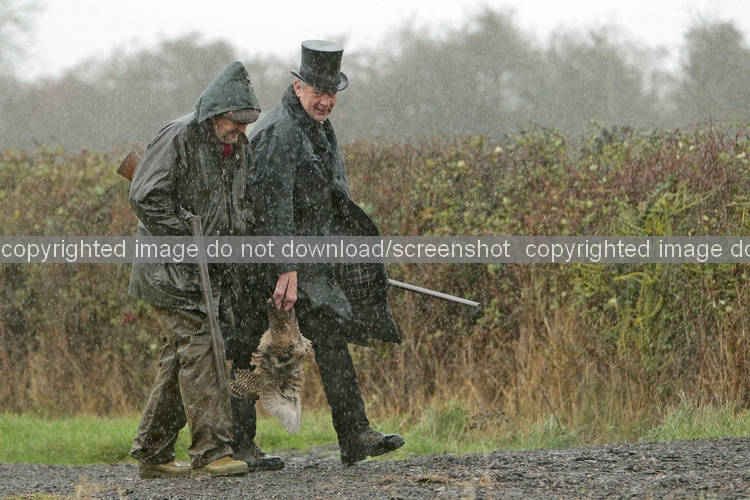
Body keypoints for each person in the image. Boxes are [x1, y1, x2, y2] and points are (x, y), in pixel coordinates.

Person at [239, 40, 404, 467]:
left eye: (332, 93)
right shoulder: (279, 132)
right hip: (264, 262)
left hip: (308, 260)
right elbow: (271, 207)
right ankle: (238, 447)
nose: (326, 101)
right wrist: (285, 268)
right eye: (318, 92)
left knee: (330, 333)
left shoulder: (317, 126)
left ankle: (355, 434)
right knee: (246, 348)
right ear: (298, 87)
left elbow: (326, 198)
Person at [127, 61, 261, 479]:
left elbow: (239, 205)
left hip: (207, 272)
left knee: (180, 359)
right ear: (216, 113)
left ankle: (153, 453)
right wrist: (188, 240)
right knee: (203, 350)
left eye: (246, 122)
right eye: (236, 121)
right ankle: (211, 452)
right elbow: (145, 197)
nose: (241, 129)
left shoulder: (238, 147)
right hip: (170, 272)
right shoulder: (180, 135)